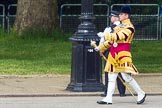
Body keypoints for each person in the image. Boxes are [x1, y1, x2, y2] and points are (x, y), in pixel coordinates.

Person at [95, 5, 146, 104]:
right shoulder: (119, 26)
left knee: (126, 77)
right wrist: (101, 47)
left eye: (121, 14)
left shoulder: (130, 27)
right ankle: (108, 98)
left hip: (123, 54)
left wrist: (105, 35)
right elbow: (111, 41)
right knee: (111, 76)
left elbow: (119, 36)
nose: (120, 15)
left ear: (126, 15)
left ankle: (141, 93)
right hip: (114, 54)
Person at [97, 11, 126, 97]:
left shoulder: (109, 28)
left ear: (116, 18)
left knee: (108, 71)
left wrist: (100, 49)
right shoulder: (124, 27)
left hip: (110, 51)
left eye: (112, 17)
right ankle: (122, 92)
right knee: (121, 71)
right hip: (121, 51)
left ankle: (107, 92)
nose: (111, 18)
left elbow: (103, 40)